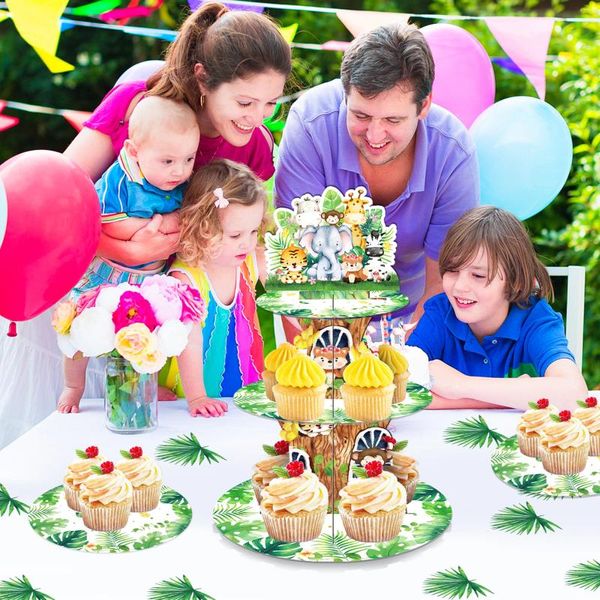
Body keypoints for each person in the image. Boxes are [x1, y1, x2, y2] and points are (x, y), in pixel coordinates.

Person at [0, 2, 291, 446]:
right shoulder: (139, 102)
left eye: (270, 102)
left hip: (148, 310)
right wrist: (121, 249)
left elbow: (241, 236)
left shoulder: (253, 147)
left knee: (135, 439)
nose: (256, 116)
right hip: (82, 285)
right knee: (65, 419)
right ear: (202, 78)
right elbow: (56, 202)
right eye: (245, 101)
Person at [275, 22, 479, 328]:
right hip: (319, 313)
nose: (374, 134)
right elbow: (298, 264)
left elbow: (444, 283)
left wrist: (403, 357)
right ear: (344, 96)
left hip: (416, 317)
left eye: (393, 119)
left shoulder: (453, 152)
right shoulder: (311, 123)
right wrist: (334, 350)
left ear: (423, 106)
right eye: (360, 115)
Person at [56, 96, 200, 414]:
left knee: (142, 332)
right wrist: (153, 227)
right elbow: (106, 223)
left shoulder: (176, 178)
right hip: (107, 273)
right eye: (168, 162)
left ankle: (144, 383)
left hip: (149, 278)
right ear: (135, 152)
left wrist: (161, 225)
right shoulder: (119, 181)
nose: (180, 170)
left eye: (188, 159)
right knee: (81, 328)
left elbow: (187, 218)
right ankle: (73, 386)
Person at [406, 206, 588, 410]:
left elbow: (574, 394)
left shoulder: (536, 320)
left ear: (515, 282)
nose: (459, 287)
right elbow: (400, 391)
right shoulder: (439, 314)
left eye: (478, 276)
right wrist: (513, 395)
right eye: (452, 270)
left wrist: (460, 385)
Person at [161, 160, 268, 418]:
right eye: (235, 235)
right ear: (203, 228)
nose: (247, 243)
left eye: (254, 231)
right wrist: (197, 396)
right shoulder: (185, 280)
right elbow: (190, 341)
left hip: (245, 388)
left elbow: (292, 281)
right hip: (187, 397)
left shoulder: (252, 261)